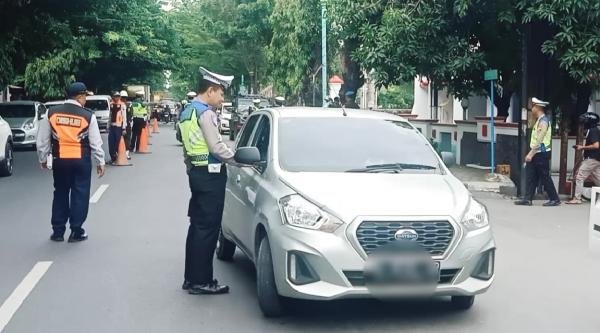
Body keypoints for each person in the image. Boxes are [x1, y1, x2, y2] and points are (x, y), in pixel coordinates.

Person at [179, 67, 240, 295]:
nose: (222, 98)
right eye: (221, 93)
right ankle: (201, 281)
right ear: (211, 90)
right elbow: (216, 147)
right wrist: (240, 160)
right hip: (211, 174)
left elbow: (187, 150)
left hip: (196, 172)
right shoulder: (206, 113)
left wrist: (192, 169)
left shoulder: (187, 112)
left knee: (197, 228)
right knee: (208, 230)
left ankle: (191, 278)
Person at [36, 82, 106, 242]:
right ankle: (76, 231)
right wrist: (100, 161)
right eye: (85, 97)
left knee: (60, 192)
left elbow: (42, 141)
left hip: (60, 160)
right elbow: (95, 142)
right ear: (80, 96)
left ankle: (58, 232)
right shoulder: (88, 116)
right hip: (80, 160)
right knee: (80, 194)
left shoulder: (51, 113)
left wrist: (42, 158)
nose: (86, 100)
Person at [515, 98, 561, 207]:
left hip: (540, 153)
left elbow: (540, 140)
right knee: (532, 176)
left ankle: (554, 198)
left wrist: (531, 154)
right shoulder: (539, 120)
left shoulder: (543, 121)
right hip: (537, 153)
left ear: (538, 108)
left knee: (544, 176)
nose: (532, 109)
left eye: (534, 106)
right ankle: (528, 199)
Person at [566, 112, 600, 204]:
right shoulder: (594, 130)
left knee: (579, 176)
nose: (584, 123)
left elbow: (596, 145)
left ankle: (577, 198)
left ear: (590, 121)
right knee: (598, 179)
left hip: (591, 159)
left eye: (585, 121)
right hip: (595, 159)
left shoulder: (593, 130)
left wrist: (582, 147)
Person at [108, 91, 127, 164]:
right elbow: (110, 116)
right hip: (112, 126)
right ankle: (112, 158)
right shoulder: (111, 104)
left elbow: (124, 117)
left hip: (119, 126)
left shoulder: (122, 105)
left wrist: (124, 128)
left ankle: (117, 157)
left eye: (118, 96)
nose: (116, 98)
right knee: (111, 143)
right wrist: (108, 125)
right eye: (115, 96)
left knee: (117, 143)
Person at [120, 90, 132, 159]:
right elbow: (131, 115)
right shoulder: (128, 105)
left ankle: (122, 153)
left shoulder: (118, 104)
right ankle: (126, 153)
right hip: (125, 124)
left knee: (124, 139)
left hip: (121, 124)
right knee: (127, 139)